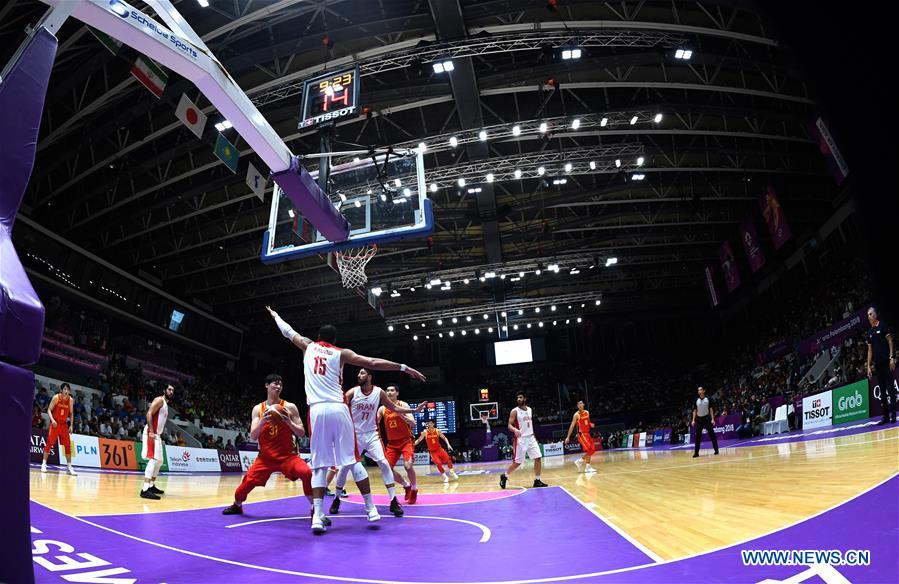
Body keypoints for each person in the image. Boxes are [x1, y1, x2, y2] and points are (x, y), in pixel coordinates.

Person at [266, 306, 425, 533]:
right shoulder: (342, 353)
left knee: (320, 466)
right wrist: (403, 367)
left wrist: (275, 316)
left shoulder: (307, 346)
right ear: (334, 339)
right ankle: (371, 509)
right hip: (340, 409)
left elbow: (287, 330)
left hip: (318, 411)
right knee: (352, 460)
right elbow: (372, 362)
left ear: (318, 337)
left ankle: (318, 517)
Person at [222, 375, 317, 519]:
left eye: (280, 384)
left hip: (288, 457)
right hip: (265, 458)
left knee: (306, 473)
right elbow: (253, 436)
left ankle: (315, 509)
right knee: (243, 487)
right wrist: (263, 420)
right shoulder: (257, 409)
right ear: (267, 386)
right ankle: (237, 505)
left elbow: (302, 432)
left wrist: (289, 422)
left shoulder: (290, 407)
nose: (278, 387)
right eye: (275, 384)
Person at [330, 369, 410, 517]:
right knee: (343, 468)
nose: (358, 375)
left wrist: (413, 410)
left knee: (384, 464)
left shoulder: (379, 392)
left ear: (370, 376)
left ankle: (393, 501)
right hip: (354, 435)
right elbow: (338, 406)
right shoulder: (353, 392)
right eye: (358, 373)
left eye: (362, 373)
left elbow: (394, 407)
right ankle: (336, 498)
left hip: (372, 434)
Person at [379, 385, 419, 503]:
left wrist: (400, 413)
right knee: (386, 470)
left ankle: (414, 489)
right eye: (388, 391)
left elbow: (413, 423)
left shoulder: (403, 405)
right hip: (392, 444)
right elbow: (374, 422)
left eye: (392, 390)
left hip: (406, 441)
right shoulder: (382, 409)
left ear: (397, 393)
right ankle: (406, 485)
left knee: (408, 466)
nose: (389, 392)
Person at [499, 393, 547, 489]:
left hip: (531, 438)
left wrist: (533, 434)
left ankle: (537, 480)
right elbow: (509, 425)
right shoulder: (514, 411)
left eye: (520, 397)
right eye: (517, 398)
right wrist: (515, 430)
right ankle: (504, 476)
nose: (519, 399)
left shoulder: (530, 410)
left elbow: (530, 424)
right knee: (518, 462)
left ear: (525, 398)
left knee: (537, 457)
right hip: (521, 439)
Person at [139, 384, 174, 499]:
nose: (171, 392)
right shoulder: (159, 400)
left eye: (172, 390)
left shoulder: (166, 405)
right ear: (164, 390)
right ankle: (145, 489)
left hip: (157, 435)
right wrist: (152, 431)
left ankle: (151, 485)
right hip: (151, 432)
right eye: (169, 389)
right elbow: (149, 413)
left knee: (160, 461)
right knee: (153, 459)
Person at [866, 307, 897, 425]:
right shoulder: (869, 333)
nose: (869, 316)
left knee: (890, 389)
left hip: (887, 363)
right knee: (882, 392)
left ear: (875, 314)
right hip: (878, 366)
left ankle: (893, 415)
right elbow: (869, 351)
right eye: (868, 315)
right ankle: (885, 417)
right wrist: (868, 366)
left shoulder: (883, 325)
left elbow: (890, 341)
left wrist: (891, 358)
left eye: (870, 314)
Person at [41, 383, 76, 475]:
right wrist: (52, 420)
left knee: (68, 446)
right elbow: (49, 410)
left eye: (68, 389)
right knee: (49, 443)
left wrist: (71, 426)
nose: (66, 391)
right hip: (55, 424)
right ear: (61, 390)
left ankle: (69, 467)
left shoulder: (71, 400)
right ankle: (43, 464)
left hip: (64, 425)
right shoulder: (56, 398)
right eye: (64, 389)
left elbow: (72, 413)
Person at [564, 400, 595, 473]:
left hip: (587, 433)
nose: (580, 404)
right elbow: (572, 426)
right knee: (589, 449)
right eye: (579, 404)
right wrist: (568, 437)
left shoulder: (587, 412)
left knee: (593, 449)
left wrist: (590, 424)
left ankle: (580, 461)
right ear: (577, 406)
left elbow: (587, 422)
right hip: (581, 434)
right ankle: (587, 467)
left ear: (583, 404)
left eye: (581, 403)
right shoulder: (576, 415)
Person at [692, 386, 719, 458]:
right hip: (699, 419)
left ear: (704, 391)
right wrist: (693, 420)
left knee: (712, 434)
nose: (699, 391)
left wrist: (712, 419)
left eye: (700, 390)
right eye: (698, 390)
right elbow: (694, 411)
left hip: (706, 418)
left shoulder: (708, 399)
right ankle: (696, 453)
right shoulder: (696, 400)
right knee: (698, 437)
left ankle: (716, 450)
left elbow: (711, 409)